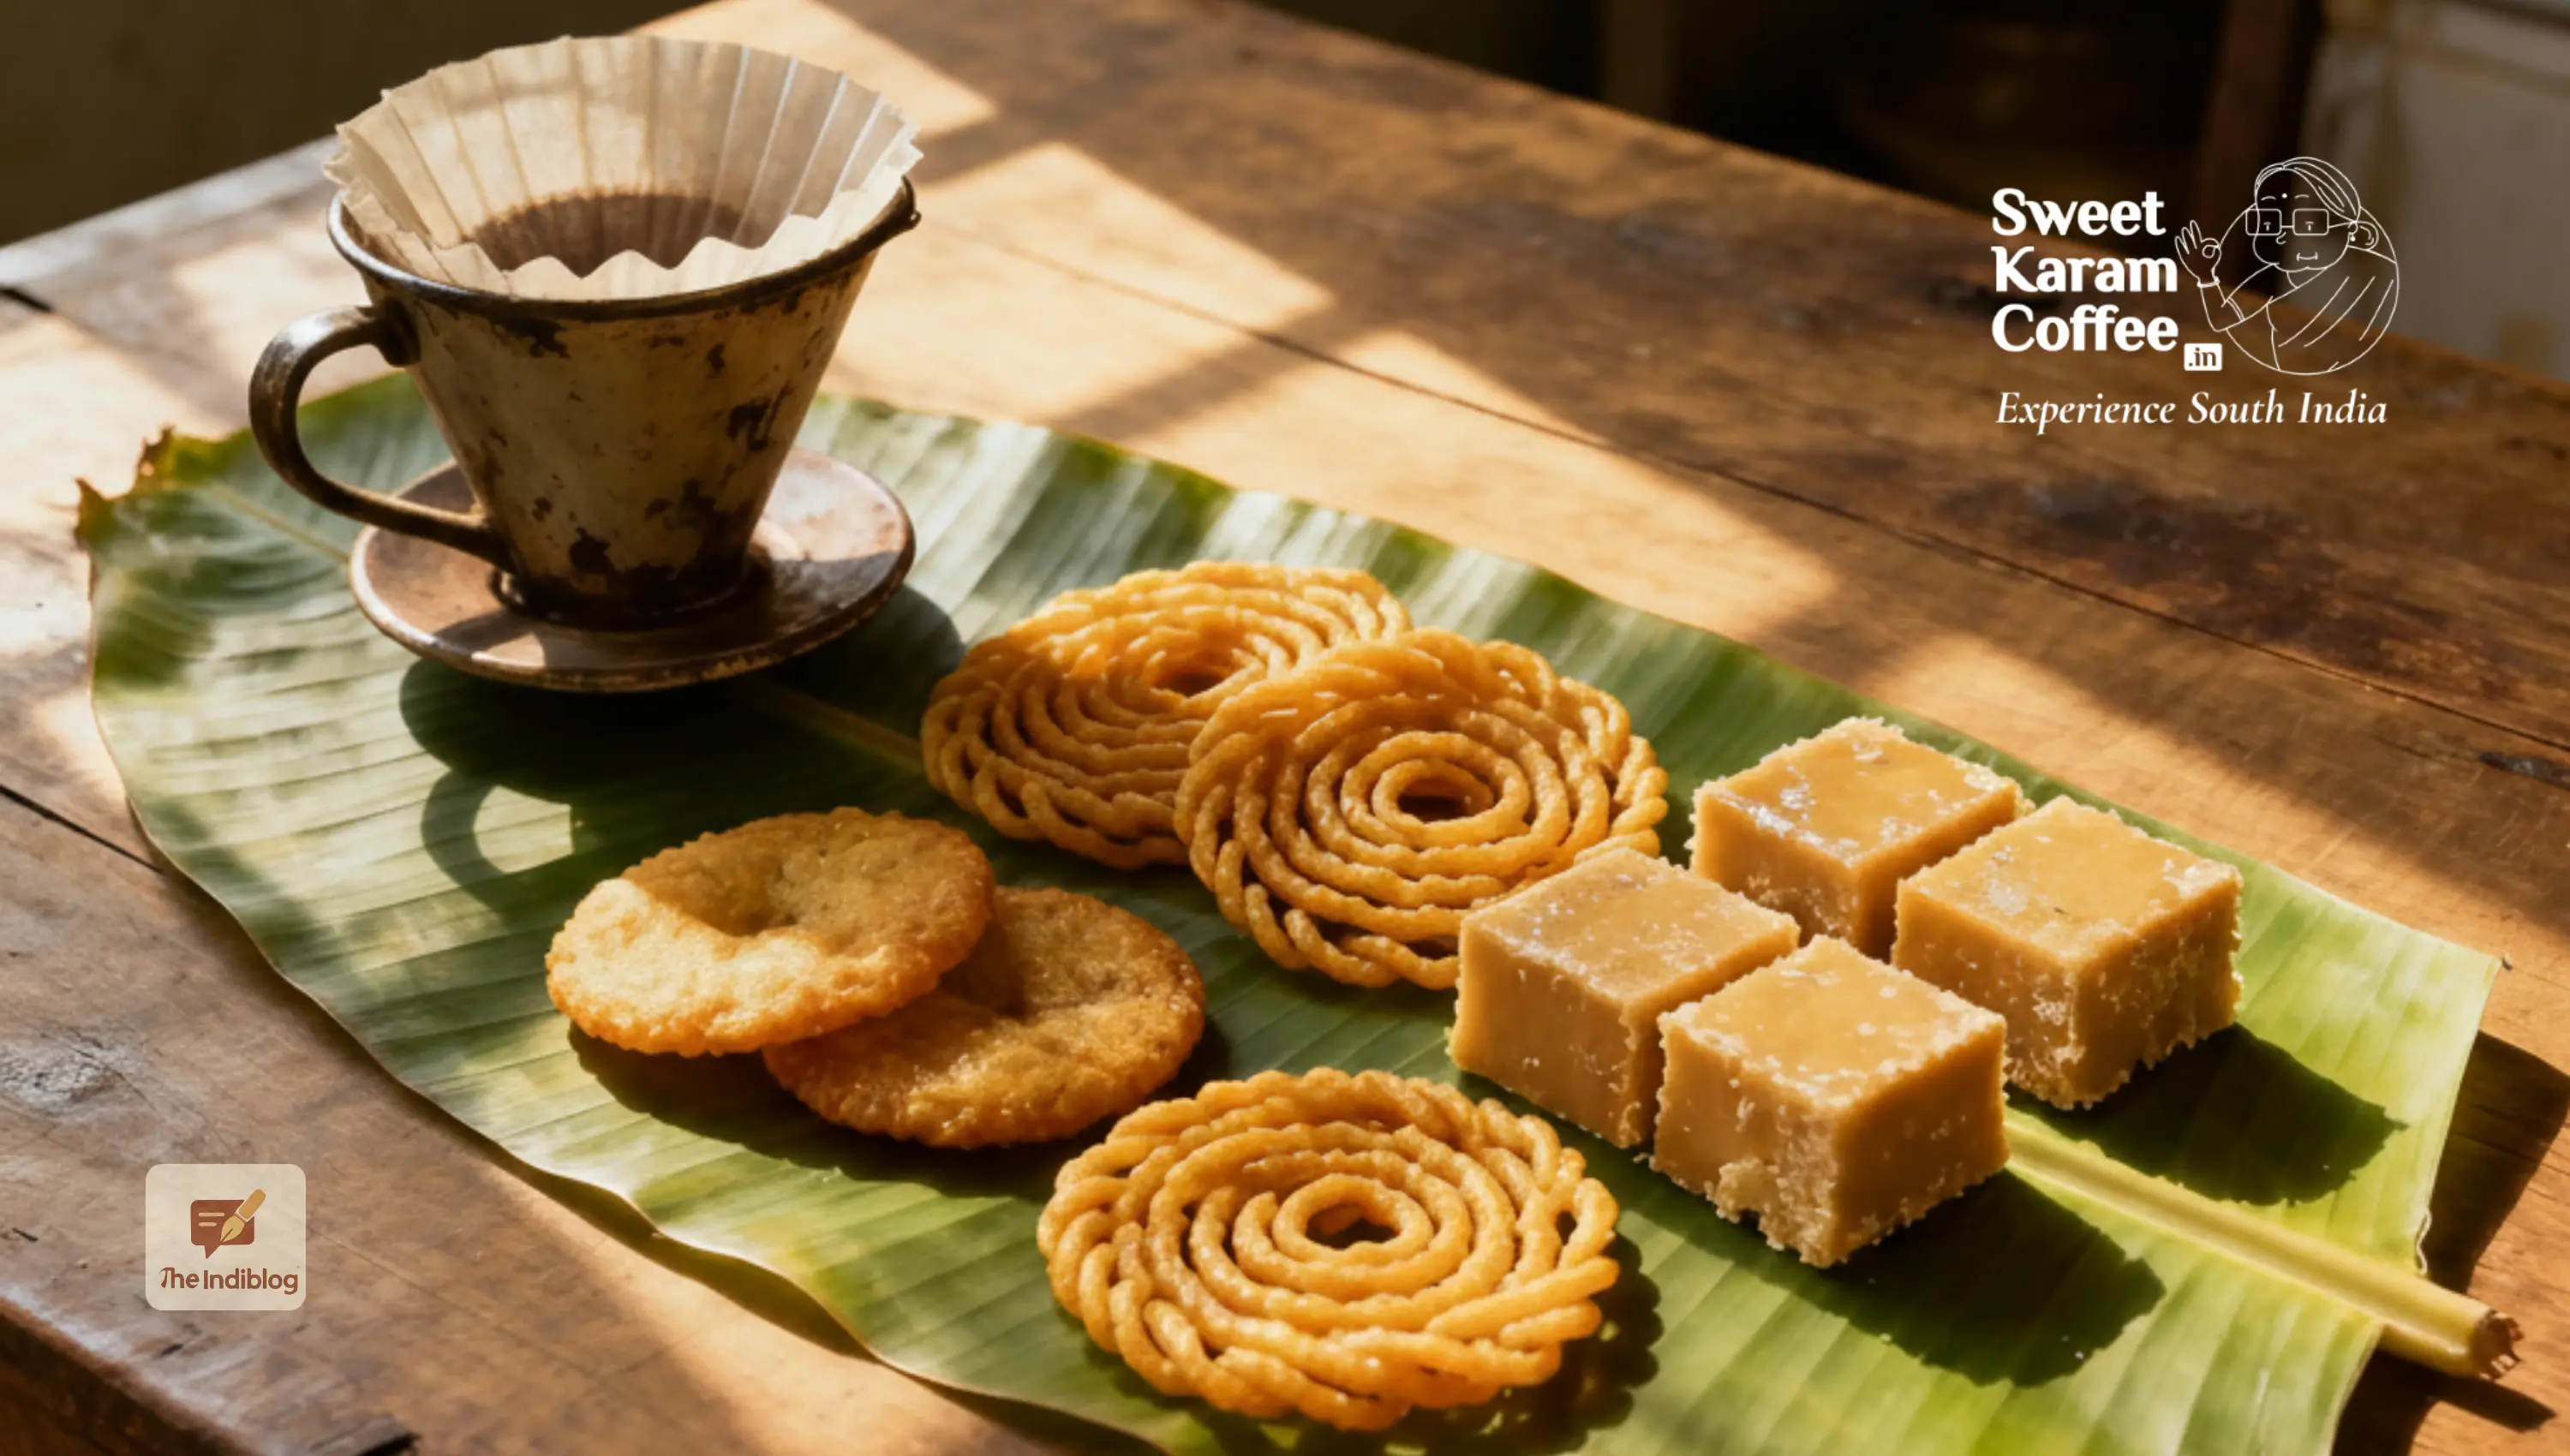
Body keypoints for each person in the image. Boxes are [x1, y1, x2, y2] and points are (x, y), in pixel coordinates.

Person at [2175, 156, 2398, 374]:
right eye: (2270, 223)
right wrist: (2207, 276)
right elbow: (2224, 320)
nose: (2280, 234)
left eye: (2304, 222)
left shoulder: (2357, 287)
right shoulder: (2277, 281)